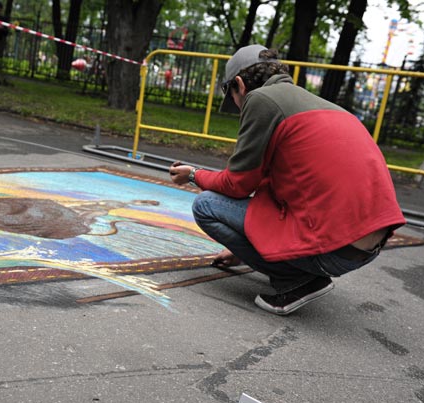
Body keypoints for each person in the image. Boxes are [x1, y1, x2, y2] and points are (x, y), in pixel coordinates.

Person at [169, 44, 406, 316]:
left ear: (239, 84)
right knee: (266, 195)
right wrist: (242, 249)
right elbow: (274, 184)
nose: (237, 107)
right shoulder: (326, 107)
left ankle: (298, 281)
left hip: (332, 251)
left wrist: (194, 175)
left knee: (206, 205)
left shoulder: (261, 100)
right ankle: (299, 273)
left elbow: (238, 184)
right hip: (364, 249)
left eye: (232, 96)